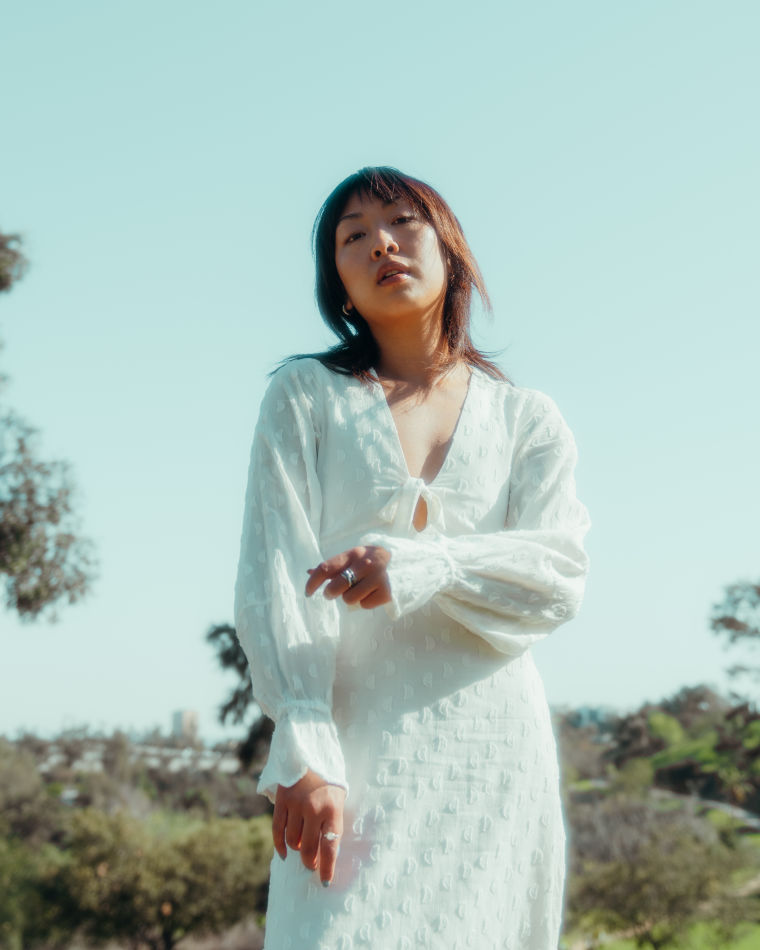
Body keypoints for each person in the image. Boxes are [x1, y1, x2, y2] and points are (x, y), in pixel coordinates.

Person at [233, 166, 591, 950]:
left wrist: (426, 566)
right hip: (351, 749)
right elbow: (274, 575)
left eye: (402, 222)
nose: (381, 244)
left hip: (492, 754)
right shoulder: (305, 396)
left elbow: (558, 576)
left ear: (450, 249)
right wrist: (304, 740)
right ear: (337, 282)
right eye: (353, 236)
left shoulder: (528, 420)